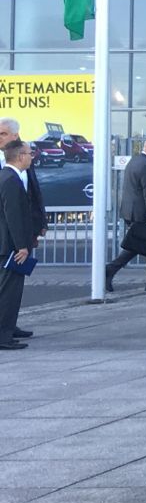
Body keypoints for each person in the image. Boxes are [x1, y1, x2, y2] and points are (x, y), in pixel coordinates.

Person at [104, 136, 146, 293]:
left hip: (133, 213)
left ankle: (112, 269)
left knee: (137, 245)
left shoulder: (135, 161)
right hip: (144, 215)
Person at [0, 139, 36, 351]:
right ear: (20, 156)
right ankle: (3, 336)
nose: (32, 157)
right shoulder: (10, 180)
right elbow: (12, 215)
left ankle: (8, 330)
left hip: (9, 244)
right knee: (8, 292)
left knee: (10, 291)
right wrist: (21, 245)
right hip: (10, 247)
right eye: (30, 154)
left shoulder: (7, 177)